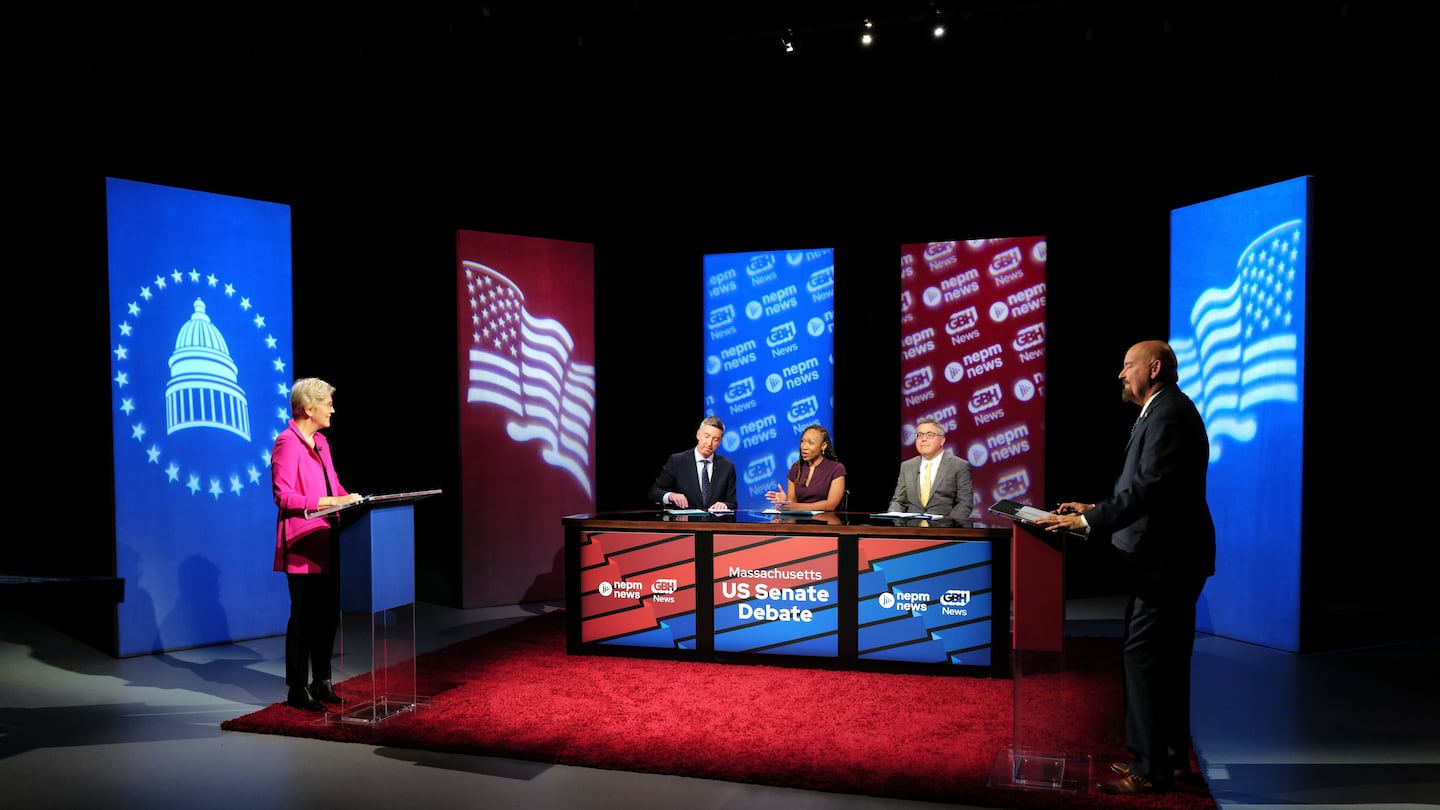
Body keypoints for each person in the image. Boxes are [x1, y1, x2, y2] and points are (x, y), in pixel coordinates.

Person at [1033, 340, 1216, 796]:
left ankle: (1150, 767)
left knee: (1146, 656)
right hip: (1168, 558)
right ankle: (1169, 761)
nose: (1120, 374)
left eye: (1127, 365)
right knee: (1166, 662)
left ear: (1154, 368)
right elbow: (1153, 488)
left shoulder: (1169, 412)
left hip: (1167, 561)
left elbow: (1151, 489)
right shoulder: (1163, 409)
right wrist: (1095, 506)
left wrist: (1088, 520)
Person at [271, 377, 365, 712]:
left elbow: (335, 485)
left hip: (328, 537)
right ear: (309, 408)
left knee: (328, 613)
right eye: (328, 404)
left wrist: (352, 499)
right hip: (303, 541)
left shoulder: (322, 442)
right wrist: (327, 501)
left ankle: (322, 680)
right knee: (304, 615)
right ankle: (297, 687)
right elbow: (283, 496)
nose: (333, 410)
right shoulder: (287, 442)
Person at [886, 419, 974, 520]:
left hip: (944, 530)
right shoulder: (907, 466)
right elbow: (898, 501)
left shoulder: (959, 466)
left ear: (942, 440)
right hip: (912, 529)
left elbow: (964, 503)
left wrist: (950, 526)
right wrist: (894, 521)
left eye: (930, 434)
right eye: (919, 435)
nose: (923, 439)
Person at [648, 416, 737, 511]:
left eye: (715, 439)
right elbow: (654, 492)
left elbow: (732, 503)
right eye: (706, 436)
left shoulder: (727, 467)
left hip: (714, 523)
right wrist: (670, 495)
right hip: (685, 523)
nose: (709, 443)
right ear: (698, 434)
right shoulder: (677, 461)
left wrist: (725, 505)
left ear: (719, 442)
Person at [765, 423, 847, 511]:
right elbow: (792, 505)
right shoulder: (796, 469)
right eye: (802, 441)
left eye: (810, 443)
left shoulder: (836, 469)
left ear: (823, 446)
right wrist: (785, 502)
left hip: (826, 522)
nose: (804, 447)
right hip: (801, 522)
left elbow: (831, 505)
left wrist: (797, 506)